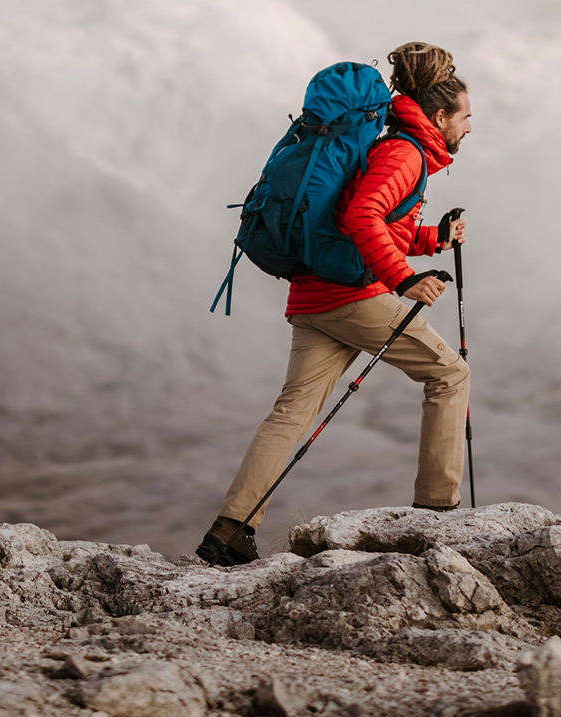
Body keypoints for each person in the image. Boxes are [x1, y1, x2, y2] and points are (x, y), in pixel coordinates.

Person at [196, 41, 476, 567]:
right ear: (439, 116)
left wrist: (431, 237)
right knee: (450, 375)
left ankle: (230, 529)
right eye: (465, 117)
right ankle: (436, 513)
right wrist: (404, 280)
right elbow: (362, 218)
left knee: (291, 412)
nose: (468, 128)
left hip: (314, 295)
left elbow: (371, 221)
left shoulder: (391, 146)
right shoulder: (405, 152)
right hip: (352, 297)